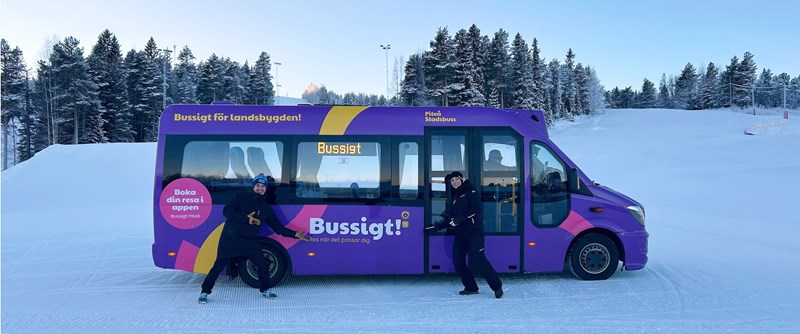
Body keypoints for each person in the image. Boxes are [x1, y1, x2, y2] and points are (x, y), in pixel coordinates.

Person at [198, 173, 310, 304]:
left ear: (266, 189)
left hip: (248, 241)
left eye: (263, 186)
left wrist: (295, 234)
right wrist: (246, 218)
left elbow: (278, 228)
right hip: (230, 239)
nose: (260, 188)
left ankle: (265, 290)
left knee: (262, 264)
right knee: (217, 267)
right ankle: (204, 292)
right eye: (258, 185)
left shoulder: (265, 208)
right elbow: (227, 211)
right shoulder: (240, 197)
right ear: (253, 186)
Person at [425, 171, 504, 298]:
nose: (454, 182)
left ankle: (497, 286)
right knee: (458, 261)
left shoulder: (470, 191)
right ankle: (471, 287)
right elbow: (450, 219)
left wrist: (460, 218)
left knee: (478, 259)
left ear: (462, 179)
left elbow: (476, 209)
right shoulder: (454, 197)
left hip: (474, 233)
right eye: (452, 181)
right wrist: (436, 227)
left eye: (456, 179)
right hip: (460, 235)